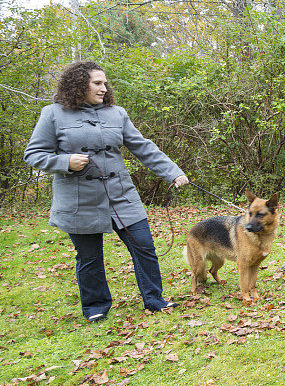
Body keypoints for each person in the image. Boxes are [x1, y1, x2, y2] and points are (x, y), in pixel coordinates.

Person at [23, 60, 189, 322]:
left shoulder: (116, 113)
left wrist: (173, 172)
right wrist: (64, 162)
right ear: (79, 85)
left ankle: (155, 300)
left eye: (105, 83)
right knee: (89, 257)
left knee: (144, 246)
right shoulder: (53, 114)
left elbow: (142, 146)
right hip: (79, 199)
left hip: (121, 194)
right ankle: (96, 306)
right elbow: (34, 154)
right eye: (97, 83)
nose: (103, 88)